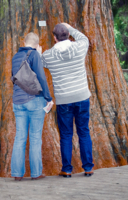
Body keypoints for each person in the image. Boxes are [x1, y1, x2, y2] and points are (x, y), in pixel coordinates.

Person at [41, 23, 94, 178]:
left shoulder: (48, 55)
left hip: (64, 100)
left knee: (66, 135)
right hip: (82, 97)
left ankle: (67, 169)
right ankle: (88, 167)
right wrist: (69, 27)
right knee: (84, 131)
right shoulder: (79, 48)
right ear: (68, 34)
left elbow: (41, 62)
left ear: (54, 37)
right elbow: (83, 38)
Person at [11, 32, 53, 181]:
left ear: (23, 42)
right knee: (35, 137)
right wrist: (48, 97)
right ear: (37, 45)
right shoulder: (34, 54)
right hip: (34, 100)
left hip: (18, 101)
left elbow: (14, 77)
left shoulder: (15, 56)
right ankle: (36, 174)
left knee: (20, 137)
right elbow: (41, 76)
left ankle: (17, 173)